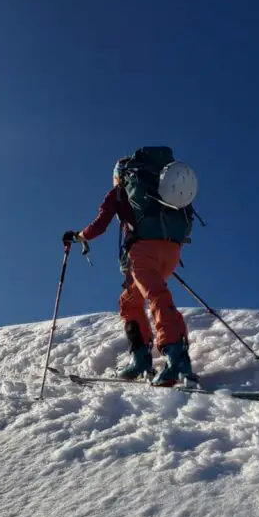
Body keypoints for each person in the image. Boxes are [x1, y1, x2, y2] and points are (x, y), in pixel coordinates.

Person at [63, 146, 199, 387]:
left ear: (121, 175)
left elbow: (98, 226)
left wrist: (77, 236)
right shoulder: (158, 191)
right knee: (129, 301)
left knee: (156, 295)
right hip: (172, 251)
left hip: (143, 253)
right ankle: (140, 360)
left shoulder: (118, 192)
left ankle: (177, 358)